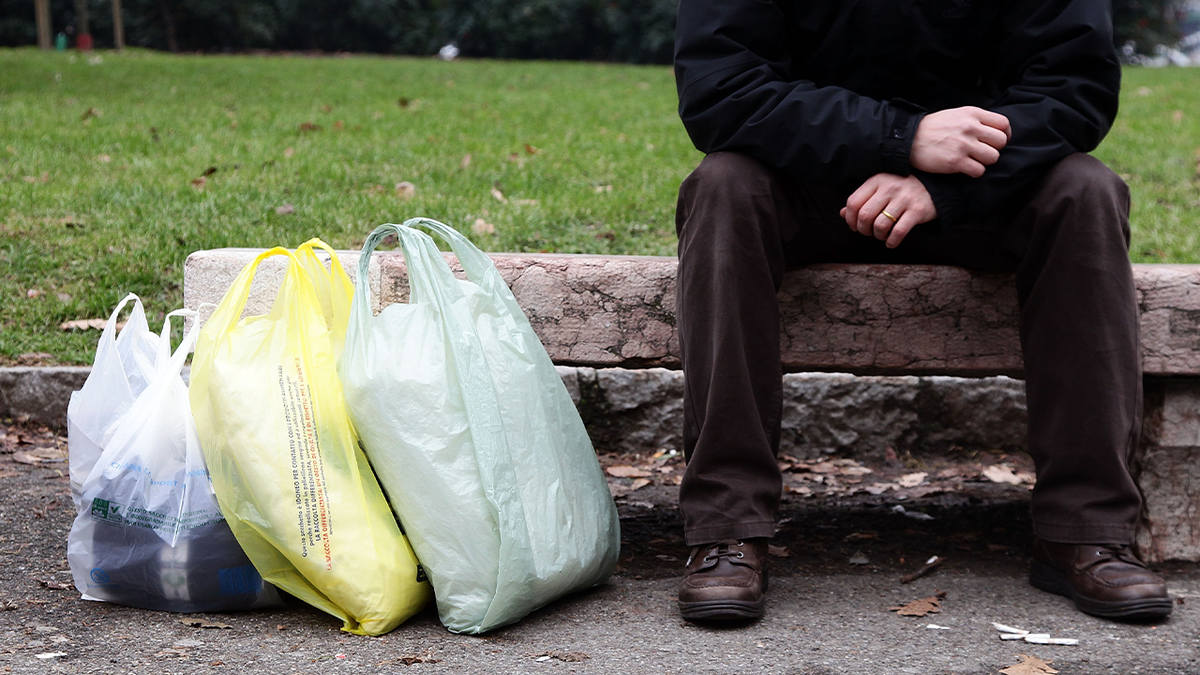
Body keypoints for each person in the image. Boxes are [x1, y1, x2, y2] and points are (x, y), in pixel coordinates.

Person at [672, 0, 1174, 622]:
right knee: (720, 187)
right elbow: (719, 90)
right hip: (804, 180)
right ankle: (728, 526)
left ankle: (1085, 526)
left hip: (985, 180)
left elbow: (1073, 88)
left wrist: (946, 185)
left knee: (1086, 191)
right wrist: (900, 138)